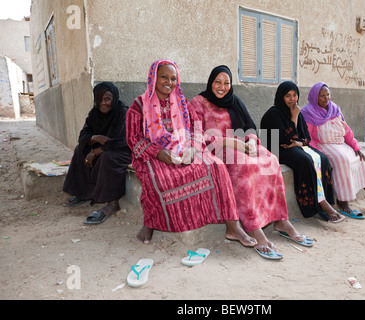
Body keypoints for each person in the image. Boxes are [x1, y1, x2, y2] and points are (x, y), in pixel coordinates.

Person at [126, 60, 256, 247]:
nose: (169, 82)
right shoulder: (139, 105)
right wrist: (159, 153)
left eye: (173, 78)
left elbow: (197, 130)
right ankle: (151, 224)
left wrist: (192, 149)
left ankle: (232, 226)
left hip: (185, 148)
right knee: (158, 177)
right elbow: (134, 138)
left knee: (217, 166)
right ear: (154, 78)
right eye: (164, 77)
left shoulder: (183, 103)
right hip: (153, 153)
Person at [190, 65, 313, 259]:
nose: (222, 87)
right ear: (210, 82)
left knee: (270, 160)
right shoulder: (197, 103)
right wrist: (230, 142)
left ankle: (280, 220)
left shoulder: (235, 101)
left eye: (226, 83)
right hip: (216, 148)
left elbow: (250, 128)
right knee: (244, 166)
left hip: (242, 145)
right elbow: (197, 136)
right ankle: (254, 227)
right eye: (218, 82)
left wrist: (253, 143)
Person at [301, 82, 365, 219]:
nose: (326, 98)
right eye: (322, 96)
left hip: (341, 143)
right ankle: (343, 203)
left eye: (328, 95)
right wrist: (317, 153)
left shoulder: (334, 109)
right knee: (342, 160)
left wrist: (356, 147)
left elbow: (346, 131)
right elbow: (309, 138)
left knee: (360, 158)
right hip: (324, 146)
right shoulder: (308, 112)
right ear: (315, 96)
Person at [260, 81, 345, 223]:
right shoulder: (273, 114)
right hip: (275, 149)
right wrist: (294, 118)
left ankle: (324, 200)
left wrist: (299, 142)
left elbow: (306, 136)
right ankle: (316, 205)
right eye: (288, 96)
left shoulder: (297, 112)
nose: (292, 99)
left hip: (293, 146)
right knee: (305, 160)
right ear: (281, 97)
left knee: (323, 158)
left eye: (295, 95)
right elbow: (285, 139)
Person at [63, 82, 132, 224]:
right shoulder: (94, 114)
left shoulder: (123, 113)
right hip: (105, 148)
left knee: (107, 158)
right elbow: (83, 135)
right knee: (79, 150)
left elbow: (123, 142)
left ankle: (113, 203)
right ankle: (83, 192)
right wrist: (95, 138)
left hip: (124, 151)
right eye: (99, 99)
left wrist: (95, 152)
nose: (103, 103)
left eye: (107, 99)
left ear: (114, 98)